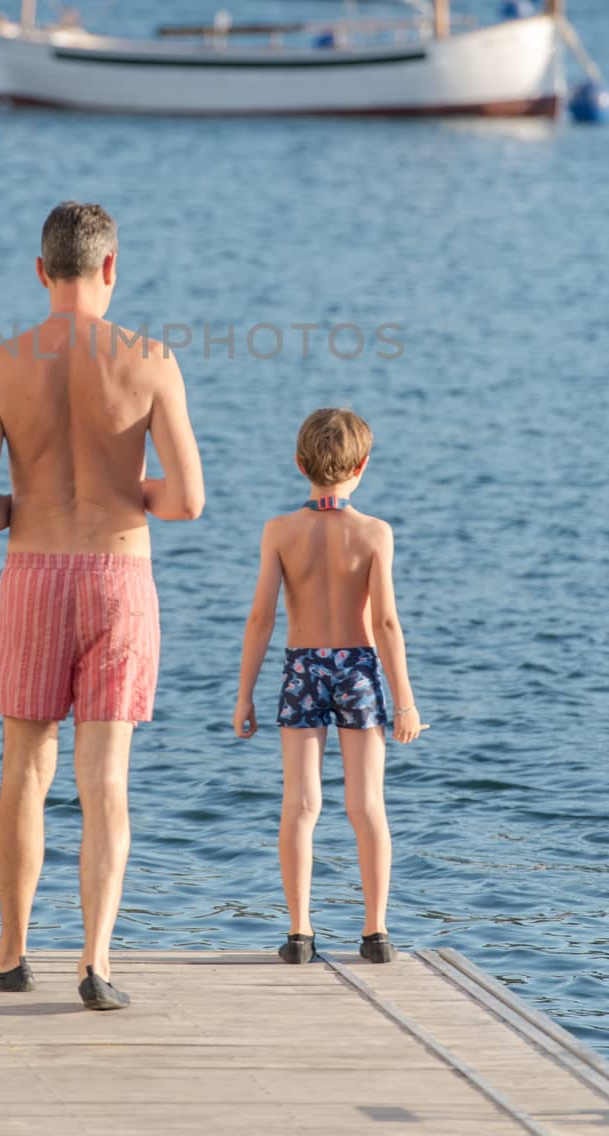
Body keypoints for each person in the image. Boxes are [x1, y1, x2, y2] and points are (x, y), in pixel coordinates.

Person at [0, 201, 204, 1010]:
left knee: (25, 771)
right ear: (110, 268)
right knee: (107, 780)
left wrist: (21, 507)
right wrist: (126, 489)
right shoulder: (151, 359)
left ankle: (11, 952)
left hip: (33, 574)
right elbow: (188, 502)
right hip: (118, 575)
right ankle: (96, 965)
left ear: (40, 272)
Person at [232, 406, 421, 965]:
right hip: (359, 667)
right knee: (367, 805)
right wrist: (404, 700)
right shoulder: (374, 533)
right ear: (363, 464)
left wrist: (245, 693)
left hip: (302, 668)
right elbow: (386, 622)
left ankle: (299, 933)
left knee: (301, 804)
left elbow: (260, 618)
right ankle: (376, 932)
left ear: (299, 463)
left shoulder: (281, 531)